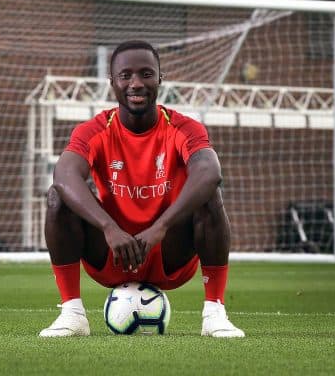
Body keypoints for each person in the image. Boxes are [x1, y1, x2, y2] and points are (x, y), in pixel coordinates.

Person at [39, 40, 245, 338]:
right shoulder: (93, 130)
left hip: (169, 253)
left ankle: (215, 312)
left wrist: (159, 227)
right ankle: (72, 313)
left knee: (210, 193)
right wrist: (109, 228)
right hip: (112, 252)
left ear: (160, 78)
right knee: (58, 197)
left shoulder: (184, 127)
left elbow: (209, 171)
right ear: (112, 82)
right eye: (126, 76)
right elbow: (65, 174)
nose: (136, 83)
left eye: (146, 74)